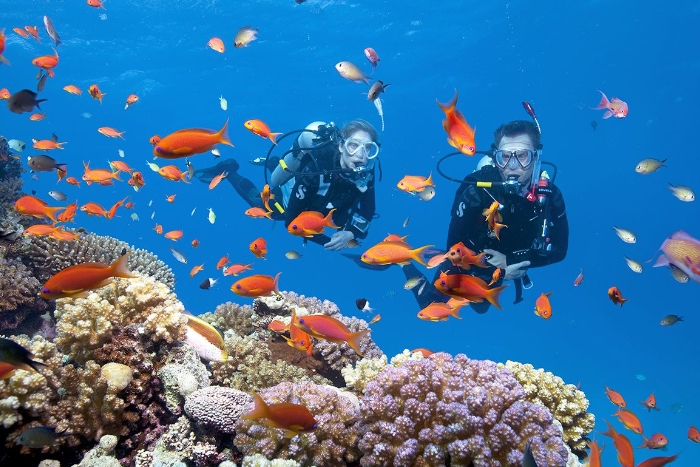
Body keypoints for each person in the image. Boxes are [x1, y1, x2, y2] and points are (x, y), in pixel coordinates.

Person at [402, 119, 569, 313]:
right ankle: (405, 262)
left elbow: (560, 251)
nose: (512, 166)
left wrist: (511, 262)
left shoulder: (549, 196)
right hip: (475, 258)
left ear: (536, 157)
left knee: (481, 308)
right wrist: (494, 269)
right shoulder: (477, 192)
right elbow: (453, 246)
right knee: (431, 308)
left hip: (510, 262)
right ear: (495, 158)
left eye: (523, 156)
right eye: (504, 157)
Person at [194, 119, 380, 251]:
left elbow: (368, 211)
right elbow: (291, 220)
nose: (361, 155)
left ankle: (275, 162)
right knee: (262, 206)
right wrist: (327, 241)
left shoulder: (365, 174)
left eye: (368, 148)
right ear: (341, 146)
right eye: (354, 145)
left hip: (324, 210)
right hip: (290, 199)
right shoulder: (316, 168)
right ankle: (229, 170)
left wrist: (350, 234)